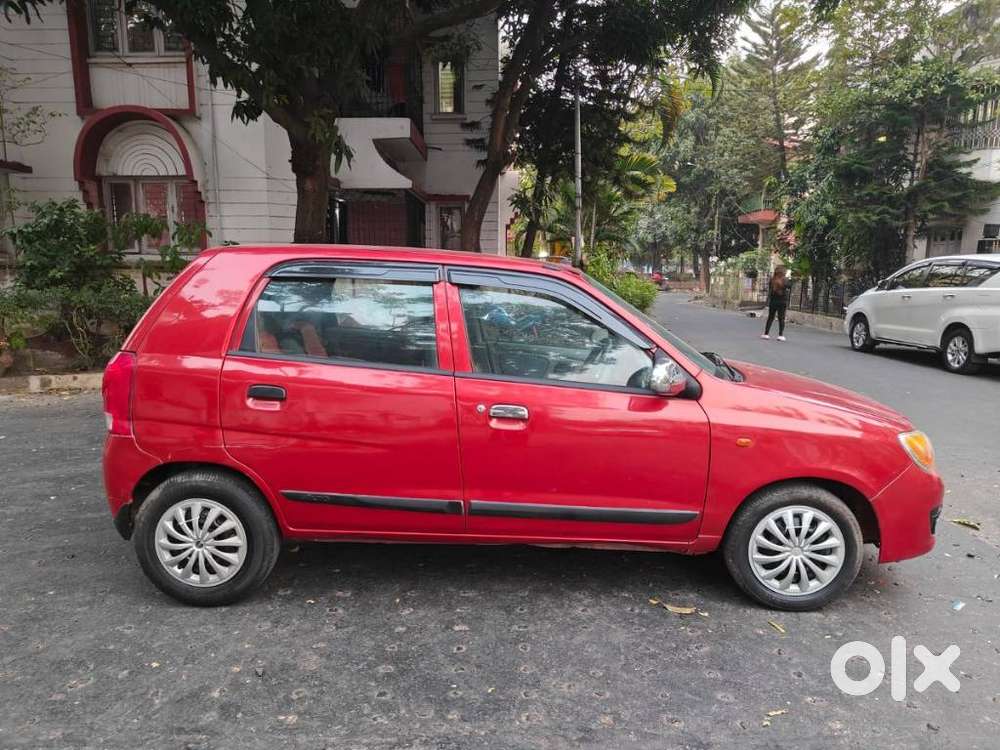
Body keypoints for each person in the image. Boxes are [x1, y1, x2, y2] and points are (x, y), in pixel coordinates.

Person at [761, 268, 789, 341]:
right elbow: (789, 287)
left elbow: (770, 291)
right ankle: (780, 335)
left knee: (770, 318)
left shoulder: (772, 280)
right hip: (782, 302)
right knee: (781, 318)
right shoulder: (785, 280)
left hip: (773, 301)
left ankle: (766, 334)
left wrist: (768, 301)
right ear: (783, 273)